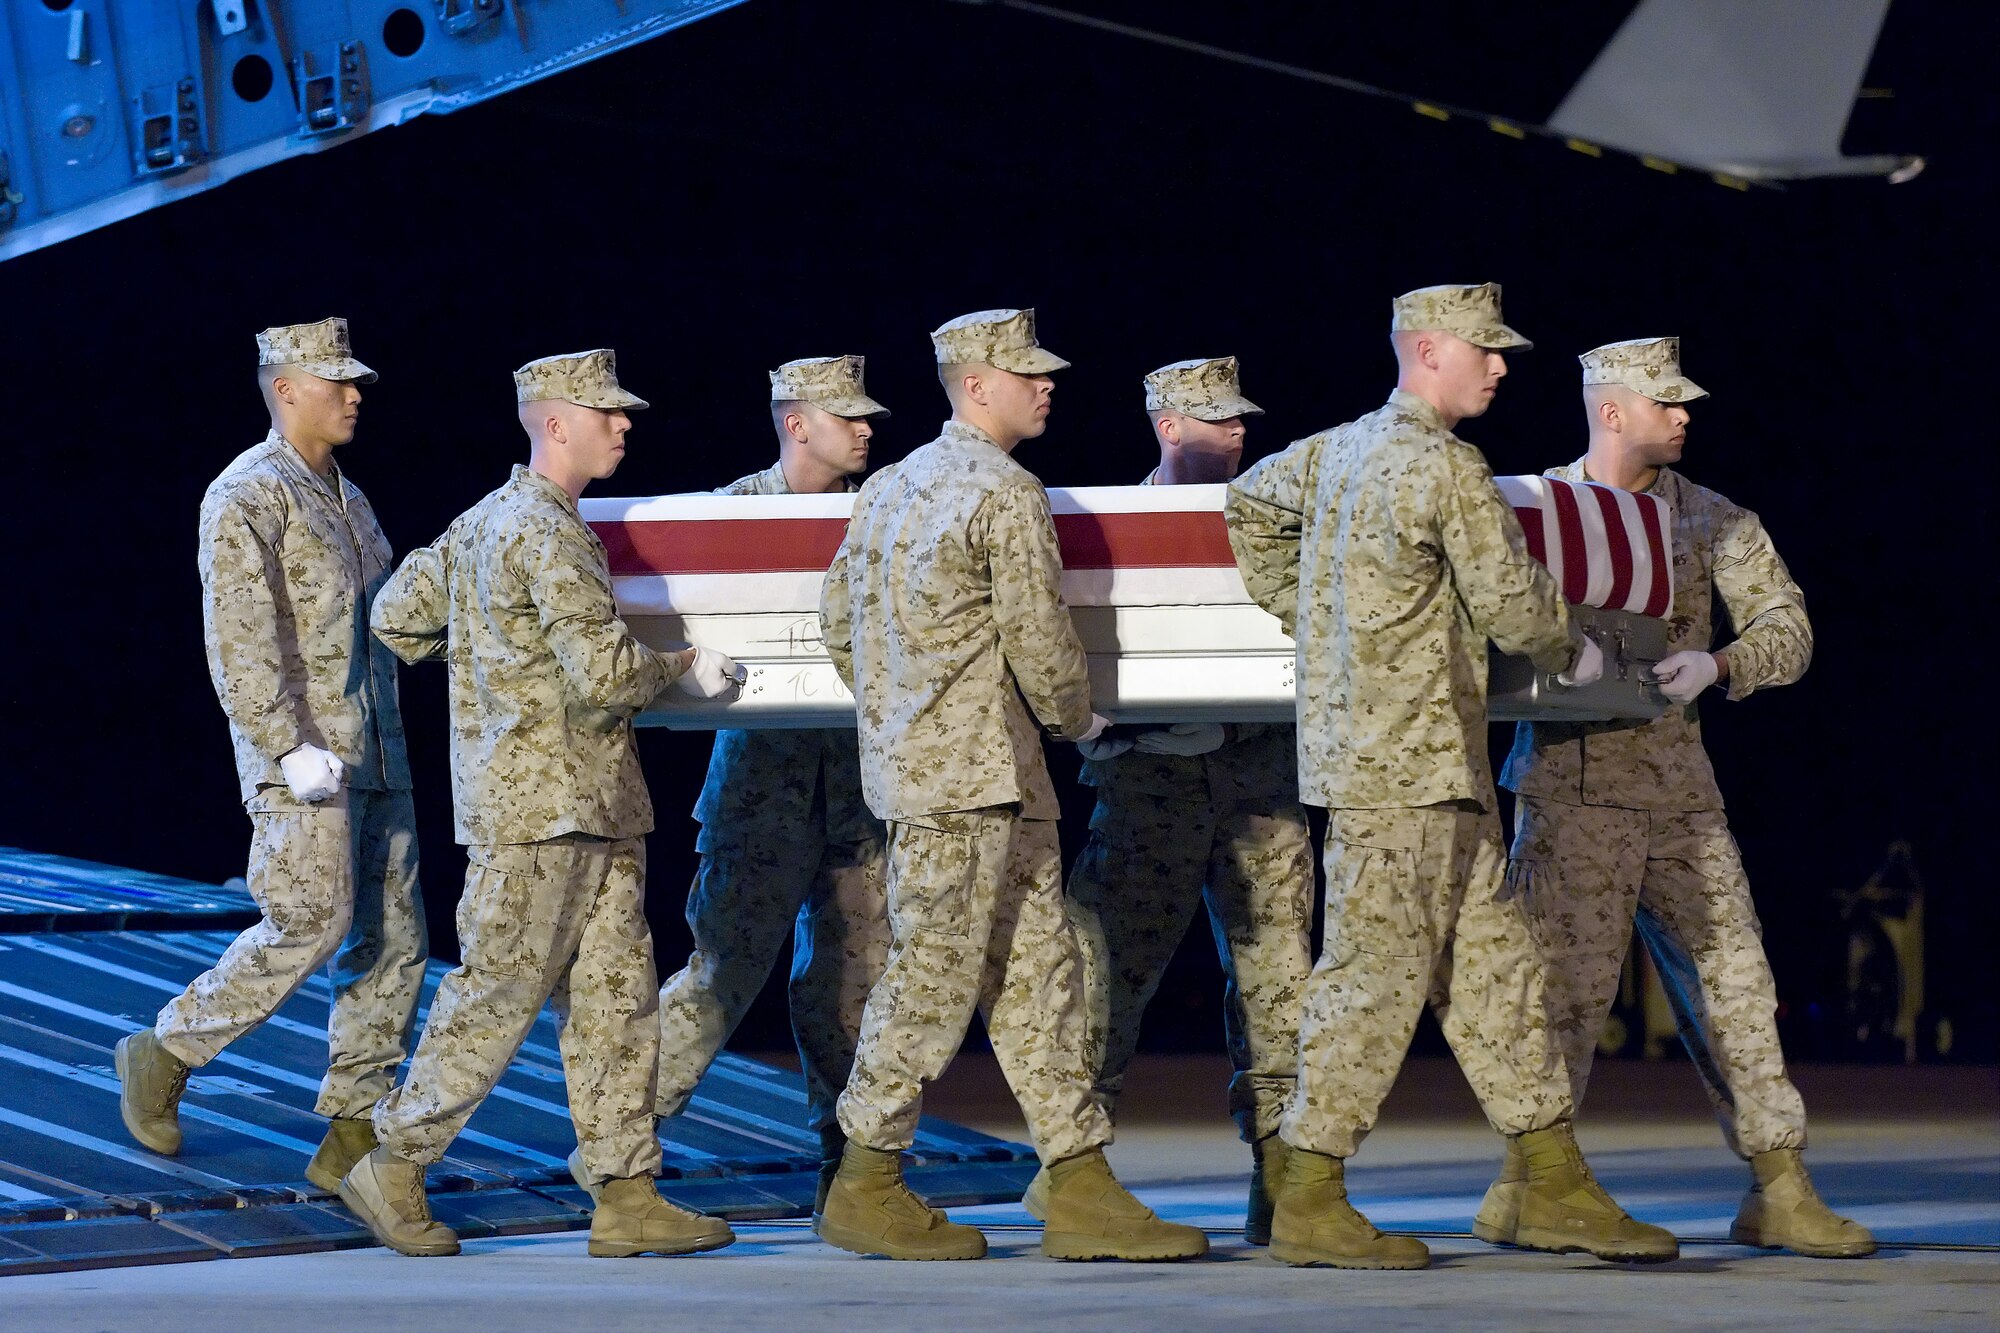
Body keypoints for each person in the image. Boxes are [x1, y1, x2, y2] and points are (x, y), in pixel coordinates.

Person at [1225, 283, 1674, 1269]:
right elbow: (1513, 602)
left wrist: (1313, 610)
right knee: (1372, 977)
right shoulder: (1443, 464)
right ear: (1428, 351)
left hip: (1421, 765)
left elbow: (1249, 502)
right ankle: (1309, 1189)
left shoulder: (1331, 452)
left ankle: (1548, 1180)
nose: (1500, 365)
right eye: (1484, 348)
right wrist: (1577, 652)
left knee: (1496, 975)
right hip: (1407, 770)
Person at [815, 309, 1207, 1262]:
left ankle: (1078, 1178)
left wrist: (903, 714)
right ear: (976, 384)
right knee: (931, 977)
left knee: (1040, 975)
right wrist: (1083, 721)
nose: (1047, 385)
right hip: (975, 776)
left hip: (965, 775)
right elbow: (1042, 642)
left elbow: (837, 621)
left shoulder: (888, 489)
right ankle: (865, 1178)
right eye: (1028, 373)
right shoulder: (1004, 489)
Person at [1480, 336, 1874, 1258]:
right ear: (1612, 410)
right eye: (1665, 401)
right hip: (1568, 790)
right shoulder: (1532, 511)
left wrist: (1723, 663)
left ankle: (1780, 1186)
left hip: (1679, 797)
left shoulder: (1712, 518)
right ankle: (1527, 1184)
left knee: (1735, 983)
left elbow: (1789, 626)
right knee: (1558, 1000)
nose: (1684, 414)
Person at [350, 349, 742, 1259]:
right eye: (606, 412)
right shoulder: (549, 531)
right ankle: (394, 1163)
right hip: (543, 809)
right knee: (496, 995)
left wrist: (492, 663)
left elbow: (395, 614)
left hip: (588, 802)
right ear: (556, 423)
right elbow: (606, 674)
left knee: (617, 1002)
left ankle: (626, 1191)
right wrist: (685, 668)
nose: (624, 423)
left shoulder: (484, 522)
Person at [117, 317, 426, 1196]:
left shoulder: (349, 498)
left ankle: (352, 1132)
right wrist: (287, 744)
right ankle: (166, 1048)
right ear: (286, 388)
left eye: (356, 381)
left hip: (377, 749)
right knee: (310, 919)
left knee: (395, 942)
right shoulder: (247, 492)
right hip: (304, 756)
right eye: (336, 381)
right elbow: (239, 640)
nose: (354, 394)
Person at [1029, 356, 1312, 1247]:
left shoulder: (1274, 520)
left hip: (1258, 774)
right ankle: (1072, 1171)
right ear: (1168, 425)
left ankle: (1287, 1178)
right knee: (1104, 976)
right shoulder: (1107, 527)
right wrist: (1098, 728)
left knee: (1280, 979)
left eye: (1240, 416)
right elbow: (1059, 639)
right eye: (1217, 417)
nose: (1238, 430)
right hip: (1148, 781)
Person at [654, 355, 893, 1211]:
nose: (865, 429)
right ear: (796, 424)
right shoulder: (727, 518)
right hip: (760, 790)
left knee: (853, 983)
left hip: (860, 791)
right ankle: (619, 1152)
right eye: (847, 416)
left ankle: (851, 1168)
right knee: (719, 978)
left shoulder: (881, 514)